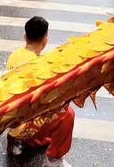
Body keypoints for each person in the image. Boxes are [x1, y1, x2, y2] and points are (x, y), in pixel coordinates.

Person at [6, 17, 74, 167]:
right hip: (27, 125)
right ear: (45, 40)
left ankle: (17, 142)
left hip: (11, 123)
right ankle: (53, 160)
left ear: (25, 36)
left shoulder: (14, 56)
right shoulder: (40, 66)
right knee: (67, 113)